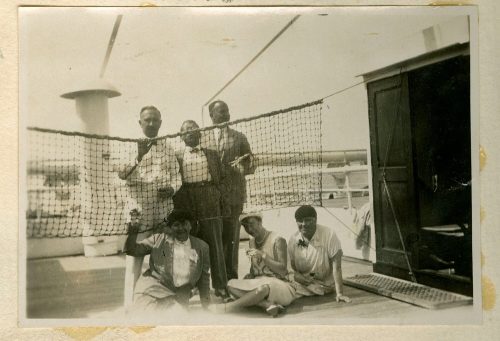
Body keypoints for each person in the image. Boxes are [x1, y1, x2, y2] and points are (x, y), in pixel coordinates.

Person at [118, 106, 182, 307]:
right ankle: (129, 306)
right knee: (135, 257)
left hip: (163, 207)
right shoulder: (129, 145)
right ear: (140, 122)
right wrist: (138, 156)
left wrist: (172, 188)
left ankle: (165, 299)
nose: (152, 123)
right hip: (139, 205)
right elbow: (121, 173)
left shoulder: (167, 147)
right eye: (148, 120)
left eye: (155, 120)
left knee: (165, 253)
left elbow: (176, 175)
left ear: (161, 122)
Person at [173, 120, 230, 300]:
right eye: (185, 130)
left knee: (215, 244)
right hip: (186, 200)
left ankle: (221, 286)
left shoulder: (212, 155)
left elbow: (222, 179)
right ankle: (192, 287)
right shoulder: (176, 156)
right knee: (189, 245)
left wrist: (218, 198)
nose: (190, 132)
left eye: (193, 129)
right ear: (181, 136)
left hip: (209, 200)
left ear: (200, 134)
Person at [209, 212, 296, 317]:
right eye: (245, 226)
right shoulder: (252, 242)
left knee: (264, 287)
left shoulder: (278, 239)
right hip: (261, 283)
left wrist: (263, 255)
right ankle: (266, 304)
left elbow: (282, 270)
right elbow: (255, 270)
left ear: (260, 222)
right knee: (230, 284)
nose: (249, 229)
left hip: (282, 285)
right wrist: (250, 275)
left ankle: (229, 307)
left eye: (251, 224)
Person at [124, 208, 211, 311]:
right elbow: (132, 250)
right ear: (170, 228)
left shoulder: (202, 247)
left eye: (184, 224)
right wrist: (133, 229)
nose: (181, 228)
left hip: (178, 297)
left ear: (190, 225)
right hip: (152, 290)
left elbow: (204, 279)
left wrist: (206, 307)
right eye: (176, 225)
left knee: (175, 317)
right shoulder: (159, 239)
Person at [208, 100, 255, 281]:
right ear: (212, 115)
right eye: (221, 112)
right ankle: (214, 280)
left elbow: (250, 165)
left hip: (233, 197)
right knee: (211, 239)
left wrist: (243, 166)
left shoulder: (240, 137)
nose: (226, 115)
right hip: (211, 198)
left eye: (227, 111)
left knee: (231, 239)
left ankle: (231, 279)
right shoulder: (202, 138)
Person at [288, 205, 351, 303]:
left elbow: (337, 267)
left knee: (286, 292)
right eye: (300, 220)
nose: (304, 224)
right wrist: (296, 276)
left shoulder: (329, 234)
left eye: (308, 220)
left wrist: (340, 294)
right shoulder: (293, 239)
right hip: (301, 283)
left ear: (315, 220)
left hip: (324, 285)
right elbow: (292, 268)